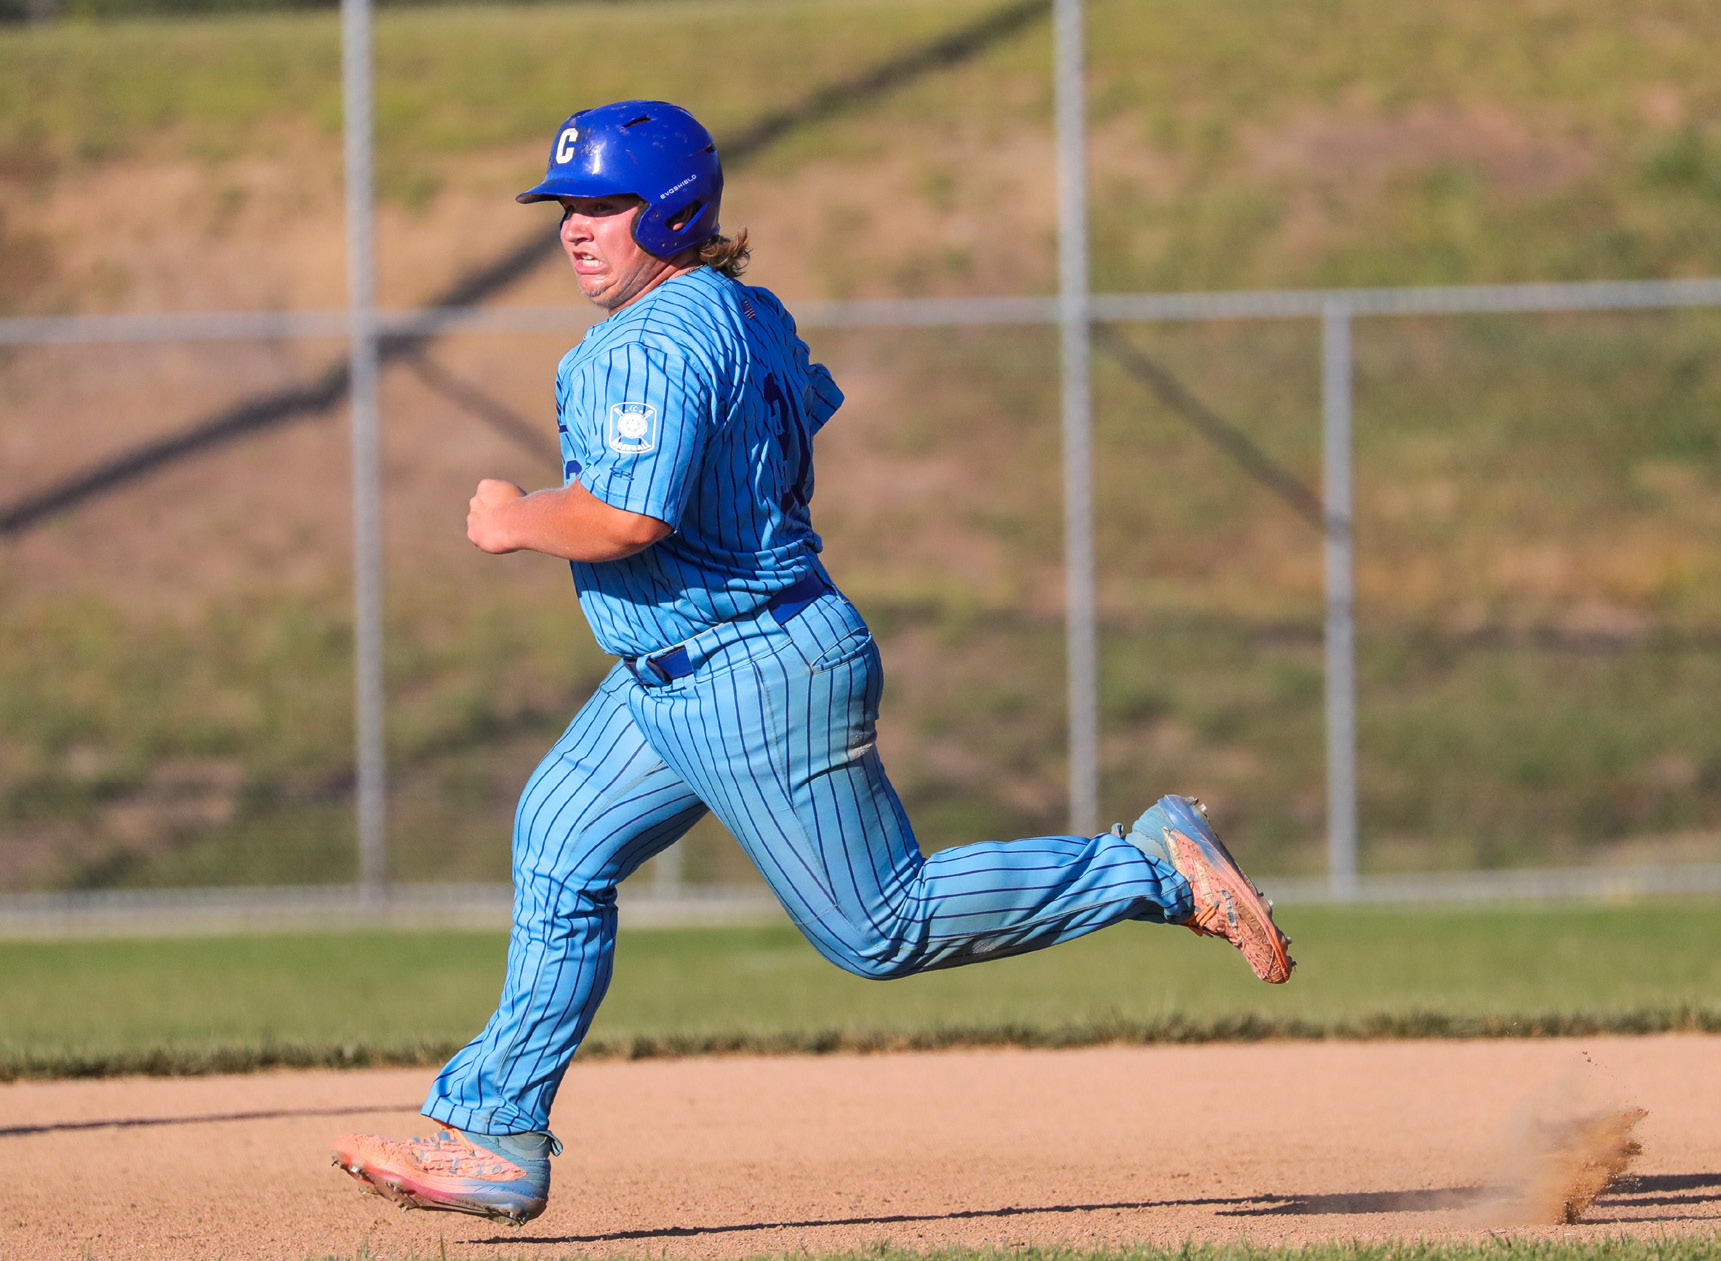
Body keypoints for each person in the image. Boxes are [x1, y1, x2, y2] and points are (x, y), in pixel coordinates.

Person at [332, 100, 1293, 1226]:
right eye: (565, 207)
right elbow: (793, 428)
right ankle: (494, 1130)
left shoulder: (645, 341)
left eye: (603, 204)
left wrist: (515, 515)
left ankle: (1152, 869)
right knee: (556, 843)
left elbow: (626, 518)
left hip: (749, 673)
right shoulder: (744, 309)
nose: (573, 228)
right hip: (677, 667)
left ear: (673, 208)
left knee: (878, 927)